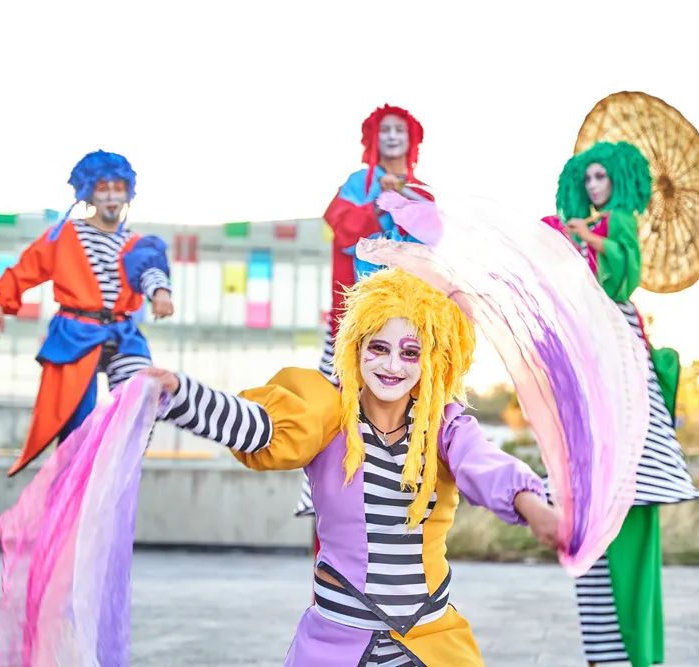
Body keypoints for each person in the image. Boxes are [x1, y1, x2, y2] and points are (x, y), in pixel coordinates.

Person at [143, 268, 559, 666]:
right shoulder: (328, 413)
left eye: (410, 352)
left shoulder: (445, 428)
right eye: (379, 347)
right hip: (336, 643)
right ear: (356, 347)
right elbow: (260, 428)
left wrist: (533, 506)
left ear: (431, 360)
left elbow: (486, 465)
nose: (392, 365)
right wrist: (182, 395)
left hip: (429, 641)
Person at [544, 141, 699, 667]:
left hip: (616, 333)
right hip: (590, 333)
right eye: (587, 179)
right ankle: (604, 652)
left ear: (617, 181)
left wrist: (589, 236)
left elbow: (623, 273)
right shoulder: (588, 224)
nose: (594, 186)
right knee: (592, 504)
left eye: (601, 177)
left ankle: (631, 653)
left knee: (628, 479)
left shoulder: (620, 221)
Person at [0, 150, 173, 476]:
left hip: (121, 332)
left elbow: (151, 270)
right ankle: (70, 481)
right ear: (89, 193)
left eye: (118, 188)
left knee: (142, 391)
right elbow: (25, 269)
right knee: (76, 423)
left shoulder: (135, 242)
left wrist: (161, 293)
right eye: (103, 188)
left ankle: (117, 461)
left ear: (128, 192)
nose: (111, 196)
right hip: (76, 332)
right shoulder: (65, 235)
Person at [298, 104, 432, 550]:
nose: (392, 136)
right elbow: (341, 225)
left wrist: (406, 200)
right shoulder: (358, 184)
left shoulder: (422, 192)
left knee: (408, 420)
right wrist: (380, 204)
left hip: (407, 330)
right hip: (351, 326)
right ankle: (326, 531)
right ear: (373, 137)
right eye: (385, 129)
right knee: (333, 415)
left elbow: (433, 243)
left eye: (400, 130)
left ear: (411, 140)